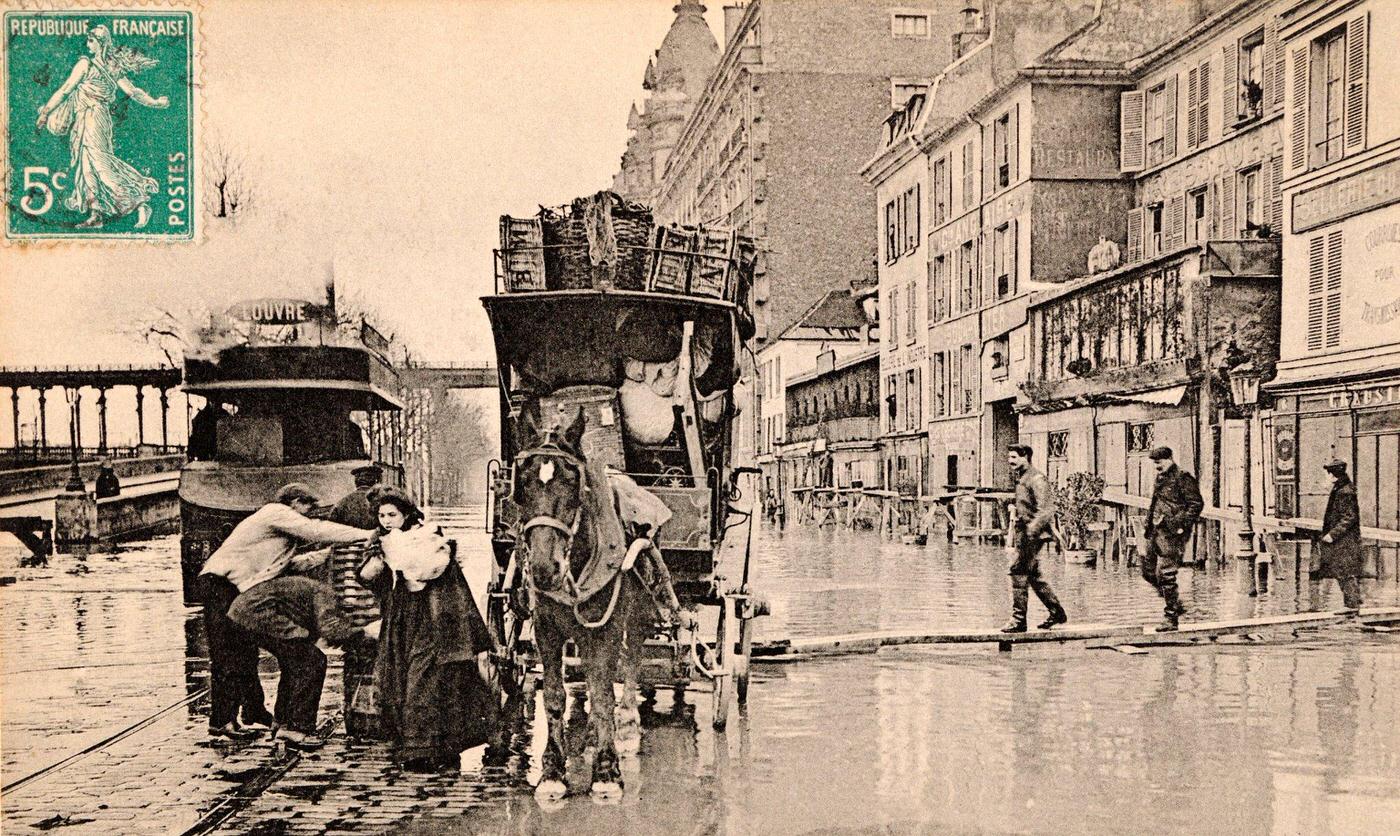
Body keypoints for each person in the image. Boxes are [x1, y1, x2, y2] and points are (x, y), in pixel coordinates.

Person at [197, 483, 374, 740]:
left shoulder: (279, 534)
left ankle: (249, 712)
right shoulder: (275, 512)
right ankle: (223, 720)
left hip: (236, 588)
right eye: (308, 507)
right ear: (294, 502)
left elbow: (292, 564)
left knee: (244, 653)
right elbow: (316, 531)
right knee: (229, 654)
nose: (310, 513)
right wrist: (365, 534)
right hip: (220, 585)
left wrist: (329, 554)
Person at [357, 487, 499, 773]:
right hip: (400, 617)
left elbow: (431, 570)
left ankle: (424, 750)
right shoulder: (379, 539)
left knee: (423, 677)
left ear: (406, 513)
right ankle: (421, 745)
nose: (386, 520)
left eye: (392, 514)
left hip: (432, 617)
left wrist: (405, 556)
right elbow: (367, 577)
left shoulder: (428, 534)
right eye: (381, 515)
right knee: (398, 677)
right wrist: (376, 561)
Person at [34, 25, 168, 229]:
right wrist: (155, 102)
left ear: (101, 42)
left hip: (93, 118)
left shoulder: (86, 64)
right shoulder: (108, 66)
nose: (87, 44)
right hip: (87, 118)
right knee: (87, 167)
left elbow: (65, 90)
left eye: (91, 40)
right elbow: (133, 92)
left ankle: (139, 202)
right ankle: (96, 214)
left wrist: (45, 113)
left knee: (100, 164)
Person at [228, 576, 378, 749]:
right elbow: (330, 629)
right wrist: (364, 632)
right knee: (313, 661)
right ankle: (296, 727)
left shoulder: (313, 587)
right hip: (257, 615)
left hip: (241, 613)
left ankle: (282, 723)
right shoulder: (325, 593)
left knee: (294, 662)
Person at [1001, 445, 1067, 633]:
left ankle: (1018, 620)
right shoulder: (1022, 478)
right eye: (1009, 457)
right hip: (1025, 533)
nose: (1010, 461)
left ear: (1026, 457)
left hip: (1032, 534)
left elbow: (1046, 510)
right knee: (1033, 576)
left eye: (1014, 457)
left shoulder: (1037, 479)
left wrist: (1031, 532)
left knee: (1018, 571)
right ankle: (1056, 612)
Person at [1143, 447, 1204, 632]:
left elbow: (1196, 504)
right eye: (1154, 463)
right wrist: (1149, 524)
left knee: (1166, 574)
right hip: (1156, 531)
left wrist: (1178, 523)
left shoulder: (1182, 477)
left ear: (1169, 459)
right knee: (1148, 571)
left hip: (1173, 533)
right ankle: (1175, 604)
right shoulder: (1161, 477)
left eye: (1159, 462)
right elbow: (1156, 503)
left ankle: (1171, 618)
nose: (1157, 466)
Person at [1318, 459, 1364, 614]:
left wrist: (1332, 534)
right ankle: (1352, 603)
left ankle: (1352, 606)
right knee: (1343, 570)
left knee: (1345, 571)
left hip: (1345, 540)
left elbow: (1349, 517)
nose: (1325, 477)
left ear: (1333, 475)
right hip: (1345, 540)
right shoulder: (1341, 488)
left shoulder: (1344, 491)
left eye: (1327, 474)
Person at [328, 465, 382, 529]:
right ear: (376, 481)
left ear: (356, 482)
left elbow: (331, 527)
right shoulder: (385, 501)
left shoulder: (341, 503)